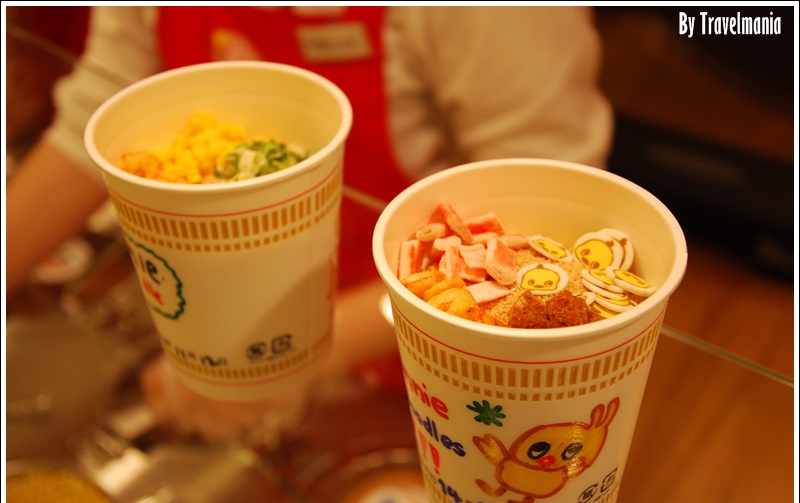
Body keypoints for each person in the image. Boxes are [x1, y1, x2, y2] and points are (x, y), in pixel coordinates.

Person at [6, 6, 613, 442]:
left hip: (439, 335)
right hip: (228, 314)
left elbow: (549, 206)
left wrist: (281, 362)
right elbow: (97, 125)